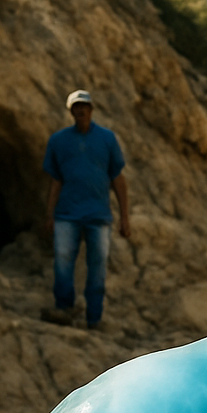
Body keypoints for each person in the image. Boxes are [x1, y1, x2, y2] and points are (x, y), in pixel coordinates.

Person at [41, 90, 130, 329]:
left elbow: (118, 179)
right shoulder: (58, 141)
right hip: (66, 215)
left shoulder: (107, 139)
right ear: (71, 111)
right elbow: (56, 180)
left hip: (98, 216)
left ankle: (94, 318)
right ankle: (63, 309)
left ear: (91, 110)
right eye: (76, 107)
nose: (81, 111)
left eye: (85, 107)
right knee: (63, 262)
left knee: (98, 266)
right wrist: (49, 214)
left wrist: (125, 217)